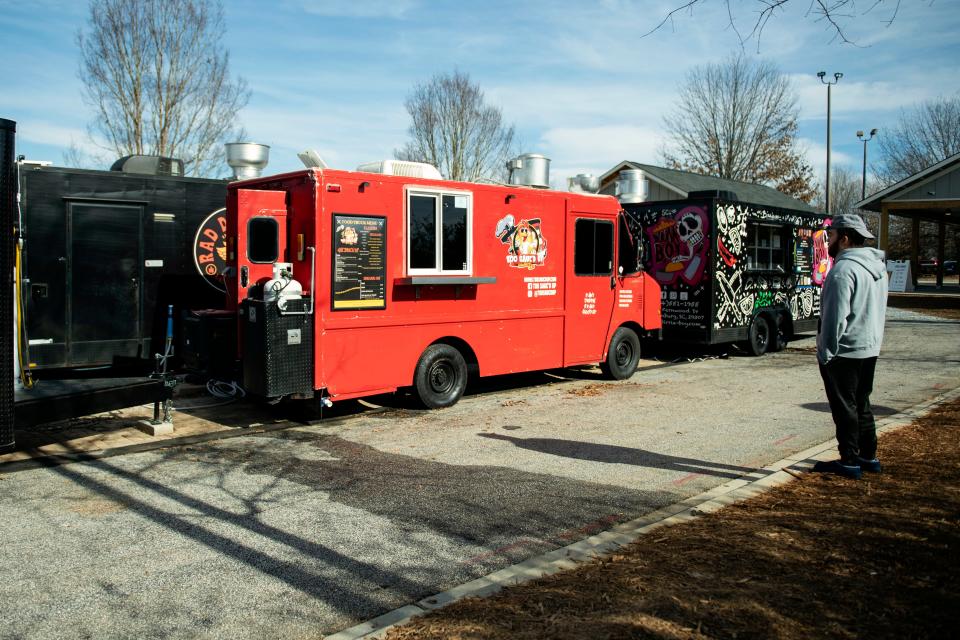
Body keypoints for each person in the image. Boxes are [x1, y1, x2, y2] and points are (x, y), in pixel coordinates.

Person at [813, 214, 888, 480]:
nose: (828, 241)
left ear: (844, 238)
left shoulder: (842, 271)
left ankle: (849, 460)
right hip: (869, 347)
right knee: (861, 403)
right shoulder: (877, 268)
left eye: (831, 236)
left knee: (844, 407)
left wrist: (826, 352)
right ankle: (868, 456)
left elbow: (834, 318)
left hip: (844, 351)